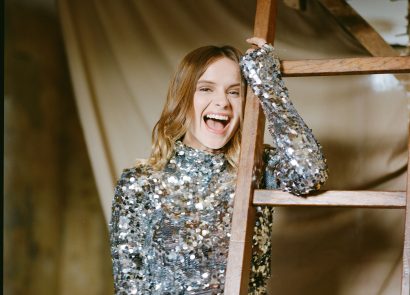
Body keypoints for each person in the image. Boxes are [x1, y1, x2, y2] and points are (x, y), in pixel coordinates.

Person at [109, 37, 328, 294]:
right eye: (206, 88)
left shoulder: (256, 167)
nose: (222, 102)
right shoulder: (139, 183)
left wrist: (267, 83)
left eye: (234, 92)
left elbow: (310, 174)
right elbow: (129, 285)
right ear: (183, 98)